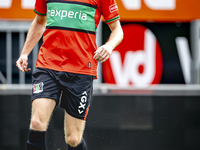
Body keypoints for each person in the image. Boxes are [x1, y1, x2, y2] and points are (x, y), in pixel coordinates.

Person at [16, 0, 123, 149]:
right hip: (48, 65)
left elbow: (117, 29)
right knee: (36, 123)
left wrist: (109, 46)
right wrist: (24, 53)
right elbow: (40, 21)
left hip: (81, 72)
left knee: (73, 139)